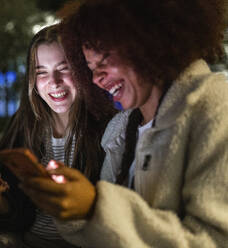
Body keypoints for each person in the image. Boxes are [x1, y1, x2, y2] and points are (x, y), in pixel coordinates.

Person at [18, 0, 228, 247]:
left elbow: (213, 240)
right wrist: (77, 210)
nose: (96, 78)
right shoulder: (119, 130)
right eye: (90, 66)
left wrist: (94, 207)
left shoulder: (216, 108)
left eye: (105, 58)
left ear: (149, 41)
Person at [0, 24, 116, 248]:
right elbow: (14, 217)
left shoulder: (110, 129)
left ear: (83, 68)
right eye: (41, 72)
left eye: (63, 68)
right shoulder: (24, 125)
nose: (54, 81)